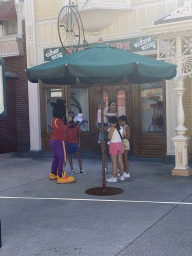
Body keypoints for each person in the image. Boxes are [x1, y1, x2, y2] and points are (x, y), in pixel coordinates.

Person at [49, 99, 75, 184]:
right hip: (60, 141)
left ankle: (53, 174)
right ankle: (60, 176)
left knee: (56, 158)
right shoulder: (59, 120)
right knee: (62, 159)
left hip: (53, 140)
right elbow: (64, 128)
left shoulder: (54, 119)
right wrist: (70, 121)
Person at [95, 101, 118, 174]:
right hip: (103, 132)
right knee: (103, 151)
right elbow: (96, 123)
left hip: (112, 133)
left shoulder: (116, 115)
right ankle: (105, 167)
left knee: (112, 151)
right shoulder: (105, 112)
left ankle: (115, 168)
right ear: (109, 106)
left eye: (115, 105)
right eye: (112, 105)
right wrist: (102, 129)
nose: (114, 106)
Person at [67, 111, 86, 175]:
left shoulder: (76, 125)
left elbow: (79, 135)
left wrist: (79, 143)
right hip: (68, 143)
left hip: (75, 142)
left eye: (72, 115)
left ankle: (81, 169)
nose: (71, 116)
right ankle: (72, 170)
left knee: (78, 156)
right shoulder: (66, 125)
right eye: (70, 115)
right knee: (70, 156)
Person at [106, 116, 124, 182]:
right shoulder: (121, 128)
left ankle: (114, 177)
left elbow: (109, 137)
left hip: (114, 145)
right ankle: (121, 176)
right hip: (120, 144)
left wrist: (109, 131)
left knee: (114, 162)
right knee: (120, 161)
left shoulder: (112, 128)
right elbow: (123, 136)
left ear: (111, 123)